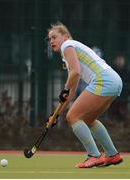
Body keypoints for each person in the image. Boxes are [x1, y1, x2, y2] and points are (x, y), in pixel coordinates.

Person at [47, 22, 123, 168]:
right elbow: (71, 93)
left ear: (66, 36)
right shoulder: (71, 54)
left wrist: (65, 88)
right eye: (49, 39)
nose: (51, 41)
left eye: (54, 37)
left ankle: (94, 156)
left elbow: (75, 74)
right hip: (114, 80)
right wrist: (56, 114)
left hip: (104, 80)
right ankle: (112, 154)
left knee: (73, 116)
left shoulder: (67, 46)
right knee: (88, 118)